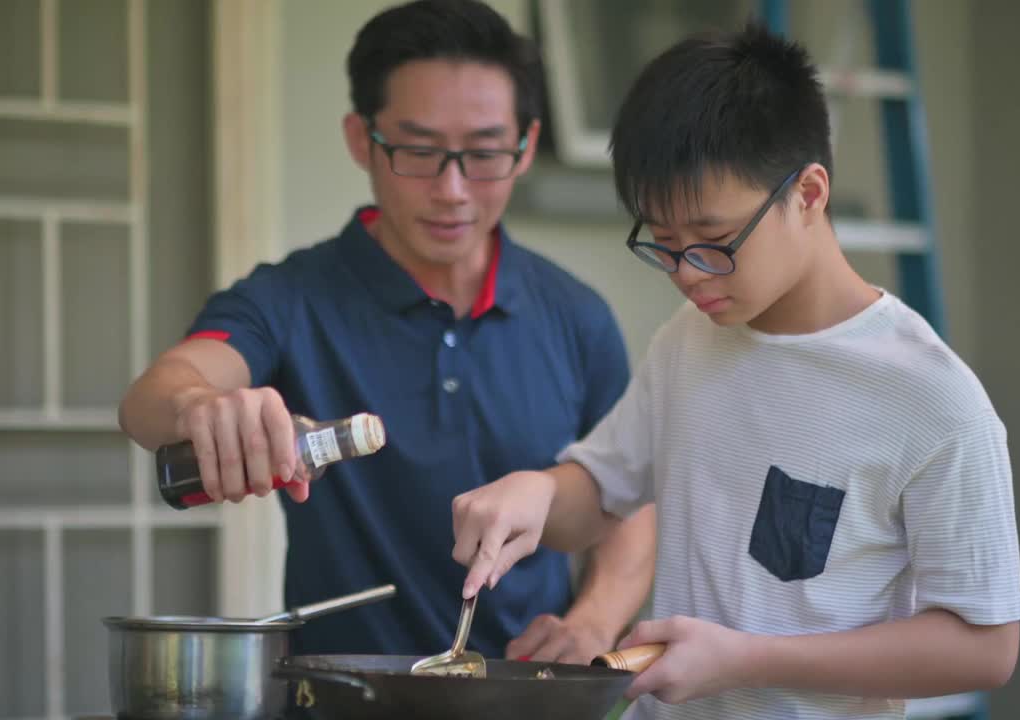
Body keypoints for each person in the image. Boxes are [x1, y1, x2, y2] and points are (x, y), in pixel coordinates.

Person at [450, 22, 1020, 720]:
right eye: (664, 243)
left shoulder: (933, 401)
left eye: (716, 242)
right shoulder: (690, 342)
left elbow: (984, 646)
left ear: (808, 195)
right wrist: (537, 493)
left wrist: (747, 659)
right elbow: (602, 493)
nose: (688, 275)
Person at [118, 0, 654, 665]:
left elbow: (629, 498)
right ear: (360, 139)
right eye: (420, 151)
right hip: (340, 702)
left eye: (485, 154)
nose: (453, 189)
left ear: (526, 146)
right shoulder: (290, 299)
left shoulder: (577, 317)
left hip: (525, 699)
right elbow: (152, 398)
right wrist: (200, 408)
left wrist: (595, 623)